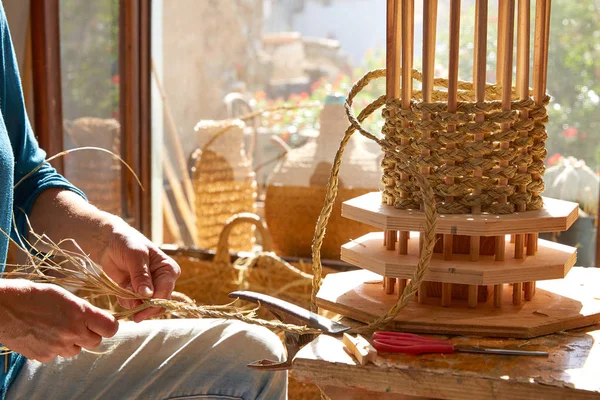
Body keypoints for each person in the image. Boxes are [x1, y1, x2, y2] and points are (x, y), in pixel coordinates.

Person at [0, 3, 287, 399]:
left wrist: (106, 235)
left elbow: (26, 183)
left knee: (253, 360)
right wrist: (6, 312)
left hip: (8, 374)